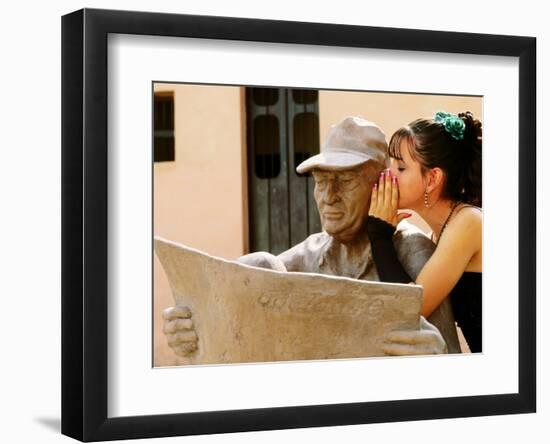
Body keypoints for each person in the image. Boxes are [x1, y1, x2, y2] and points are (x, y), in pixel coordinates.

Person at [163, 116, 461, 358]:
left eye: (344, 181)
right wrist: (195, 328)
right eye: (321, 181)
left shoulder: (412, 250)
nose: (328, 197)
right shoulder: (303, 258)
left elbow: (451, 358)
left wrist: (436, 357)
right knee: (259, 264)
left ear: (381, 186)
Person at [366, 111, 482, 352]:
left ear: (432, 178)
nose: (388, 176)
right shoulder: (438, 236)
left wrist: (379, 235)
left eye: (400, 167)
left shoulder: (469, 223)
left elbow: (411, 311)